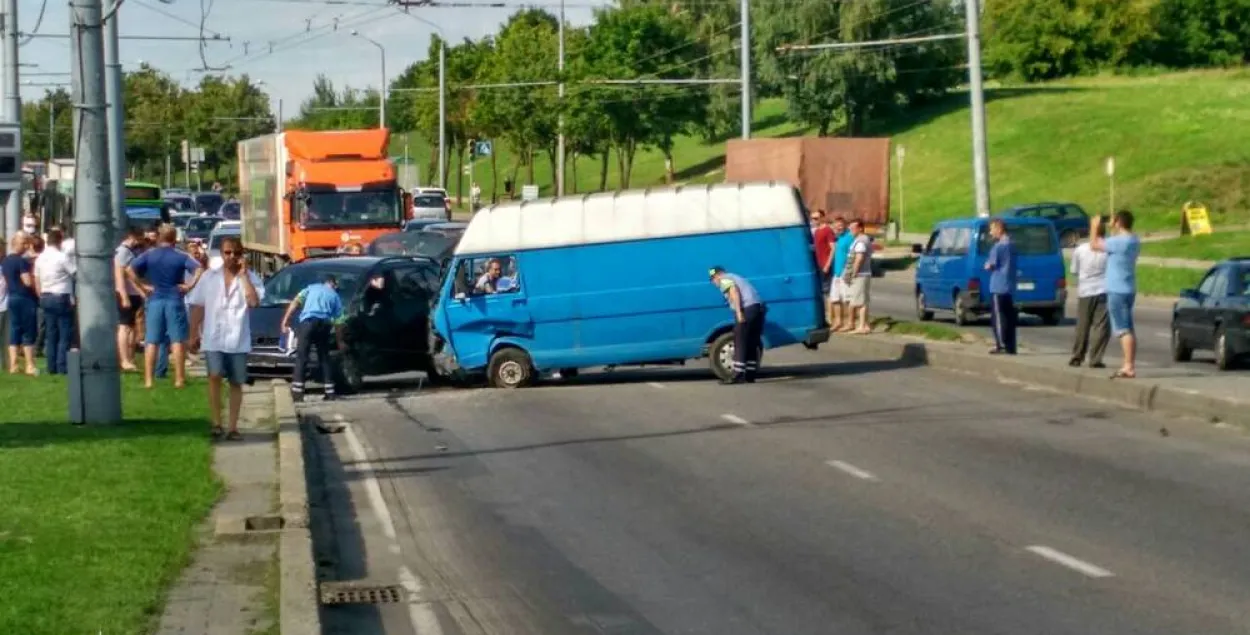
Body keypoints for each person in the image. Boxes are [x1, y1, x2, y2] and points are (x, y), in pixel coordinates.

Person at [188, 236, 263, 440]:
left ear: (242, 255)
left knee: (236, 382)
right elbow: (198, 306)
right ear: (221, 254)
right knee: (214, 376)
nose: (232, 257)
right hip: (214, 337)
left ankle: (233, 427)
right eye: (228, 253)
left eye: (236, 253)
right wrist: (192, 334)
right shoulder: (209, 277)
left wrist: (244, 276)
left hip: (237, 339)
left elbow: (254, 302)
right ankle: (216, 423)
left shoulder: (251, 277)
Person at [128, 224, 203, 388]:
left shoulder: (149, 255)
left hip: (155, 298)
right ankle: (179, 379)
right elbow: (199, 268)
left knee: (151, 340)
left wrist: (142, 287)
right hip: (174, 298)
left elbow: (130, 270)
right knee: (177, 340)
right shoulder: (181, 256)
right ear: (174, 237)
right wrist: (190, 286)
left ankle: (148, 380)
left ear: (160, 237)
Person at [1089, 210, 1141, 379]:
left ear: (1119, 222)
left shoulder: (1118, 242)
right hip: (1129, 288)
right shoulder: (1134, 240)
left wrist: (1094, 227)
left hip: (1117, 290)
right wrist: (1114, 228)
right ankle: (1129, 363)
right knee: (1128, 328)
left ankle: (1128, 366)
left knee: (1123, 329)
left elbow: (1094, 245)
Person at [280, 274, 345, 402]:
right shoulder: (335, 296)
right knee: (324, 357)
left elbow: (295, 303)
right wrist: (340, 341)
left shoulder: (310, 289)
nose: (336, 287)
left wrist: (285, 320)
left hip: (308, 323)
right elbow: (339, 322)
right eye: (336, 285)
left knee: (302, 357)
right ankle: (330, 392)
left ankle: (298, 393)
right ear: (332, 283)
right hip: (325, 324)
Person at [709, 266, 766, 385]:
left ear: (717, 275)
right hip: (758, 309)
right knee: (752, 342)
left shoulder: (724, 279)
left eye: (712, 279)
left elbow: (734, 292)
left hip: (747, 309)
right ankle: (750, 375)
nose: (714, 283)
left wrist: (739, 312)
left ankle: (737, 374)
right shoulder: (736, 276)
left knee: (739, 340)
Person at [33, 227, 76, 375]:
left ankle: (51, 367)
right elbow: (75, 272)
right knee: (64, 334)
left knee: (51, 334)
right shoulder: (61, 257)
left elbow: (36, 279)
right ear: (60, 241)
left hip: (45, 296)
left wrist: (41, 295)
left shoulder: (40, 258)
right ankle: (61, 366)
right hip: (61, 296)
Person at [1068, 220, 1110, 368]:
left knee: (1083, 325)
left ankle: (1077, 355)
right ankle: (1095, 358)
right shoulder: (1108, 249)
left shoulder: (1081, 249)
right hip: (1104, 289)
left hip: (1085, 290)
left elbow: (1074, 270)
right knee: (1101, 326)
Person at [2, 232, 38, 375]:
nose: (27, 246)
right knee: (28, 332)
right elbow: (27, 281)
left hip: (12, 297)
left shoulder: (6, 261)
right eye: (25, 243)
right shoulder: (21, 261)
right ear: (17, 243)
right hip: (24, 298)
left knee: (14, 331)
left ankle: (14, 365)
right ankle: (30, 365)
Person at [984, 218, 1018, 355]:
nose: (990, 232)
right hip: (1010, 285)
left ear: (999, 229)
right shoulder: (1012, 245)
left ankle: (1002, 345)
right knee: (1010, 317)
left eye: (992, 229)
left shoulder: (998, 247)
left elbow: (991, 265)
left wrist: (987, 266)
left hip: (998, 285)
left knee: (998, 317)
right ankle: (1011, 346)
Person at [114, 227, 147, 372]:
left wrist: (140, 291)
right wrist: (124, 295)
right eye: (139, 239)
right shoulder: (123, 252)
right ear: (133, 237)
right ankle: (124, 359)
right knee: (124, 327)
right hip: (126, 294)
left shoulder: (130, 252)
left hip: (133, 294)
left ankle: (130, 357)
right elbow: (120, 275)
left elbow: (131, 275)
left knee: (132, 327)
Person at [842, 220, 873, 334]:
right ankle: (865, 325)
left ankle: (862, 326)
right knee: (862, 300)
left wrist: (853, 273)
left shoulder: (861, 241)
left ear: (860, 228)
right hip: (861, 274)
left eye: (852, 228)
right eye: (850, 228)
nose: (850, 230)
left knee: (860, 301)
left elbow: (859, 258)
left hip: (860, 274)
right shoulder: (859, 240)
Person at [828, 217, 853, 332]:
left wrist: (848, 271)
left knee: (846, 299)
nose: (838, 227)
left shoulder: (849, 238)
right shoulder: (838, 238)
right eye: (836, 225)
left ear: (845, 226)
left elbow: (852, 256)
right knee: (835, 298)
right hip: (836, 273)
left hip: (844, 272)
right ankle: (838, 321)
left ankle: (850, 322)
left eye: (841, 225)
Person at [810, 210, 835, 324]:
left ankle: (830, 317)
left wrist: (828, 264)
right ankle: (824, 316)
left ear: (822, 218)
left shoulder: (827, 230)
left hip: (825, 264)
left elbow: (833, 248)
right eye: (812, 218)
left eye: (816, 218)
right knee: (821, 292)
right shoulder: (816, 232)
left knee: (827, 292)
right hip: (818, 264)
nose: (814, 221)